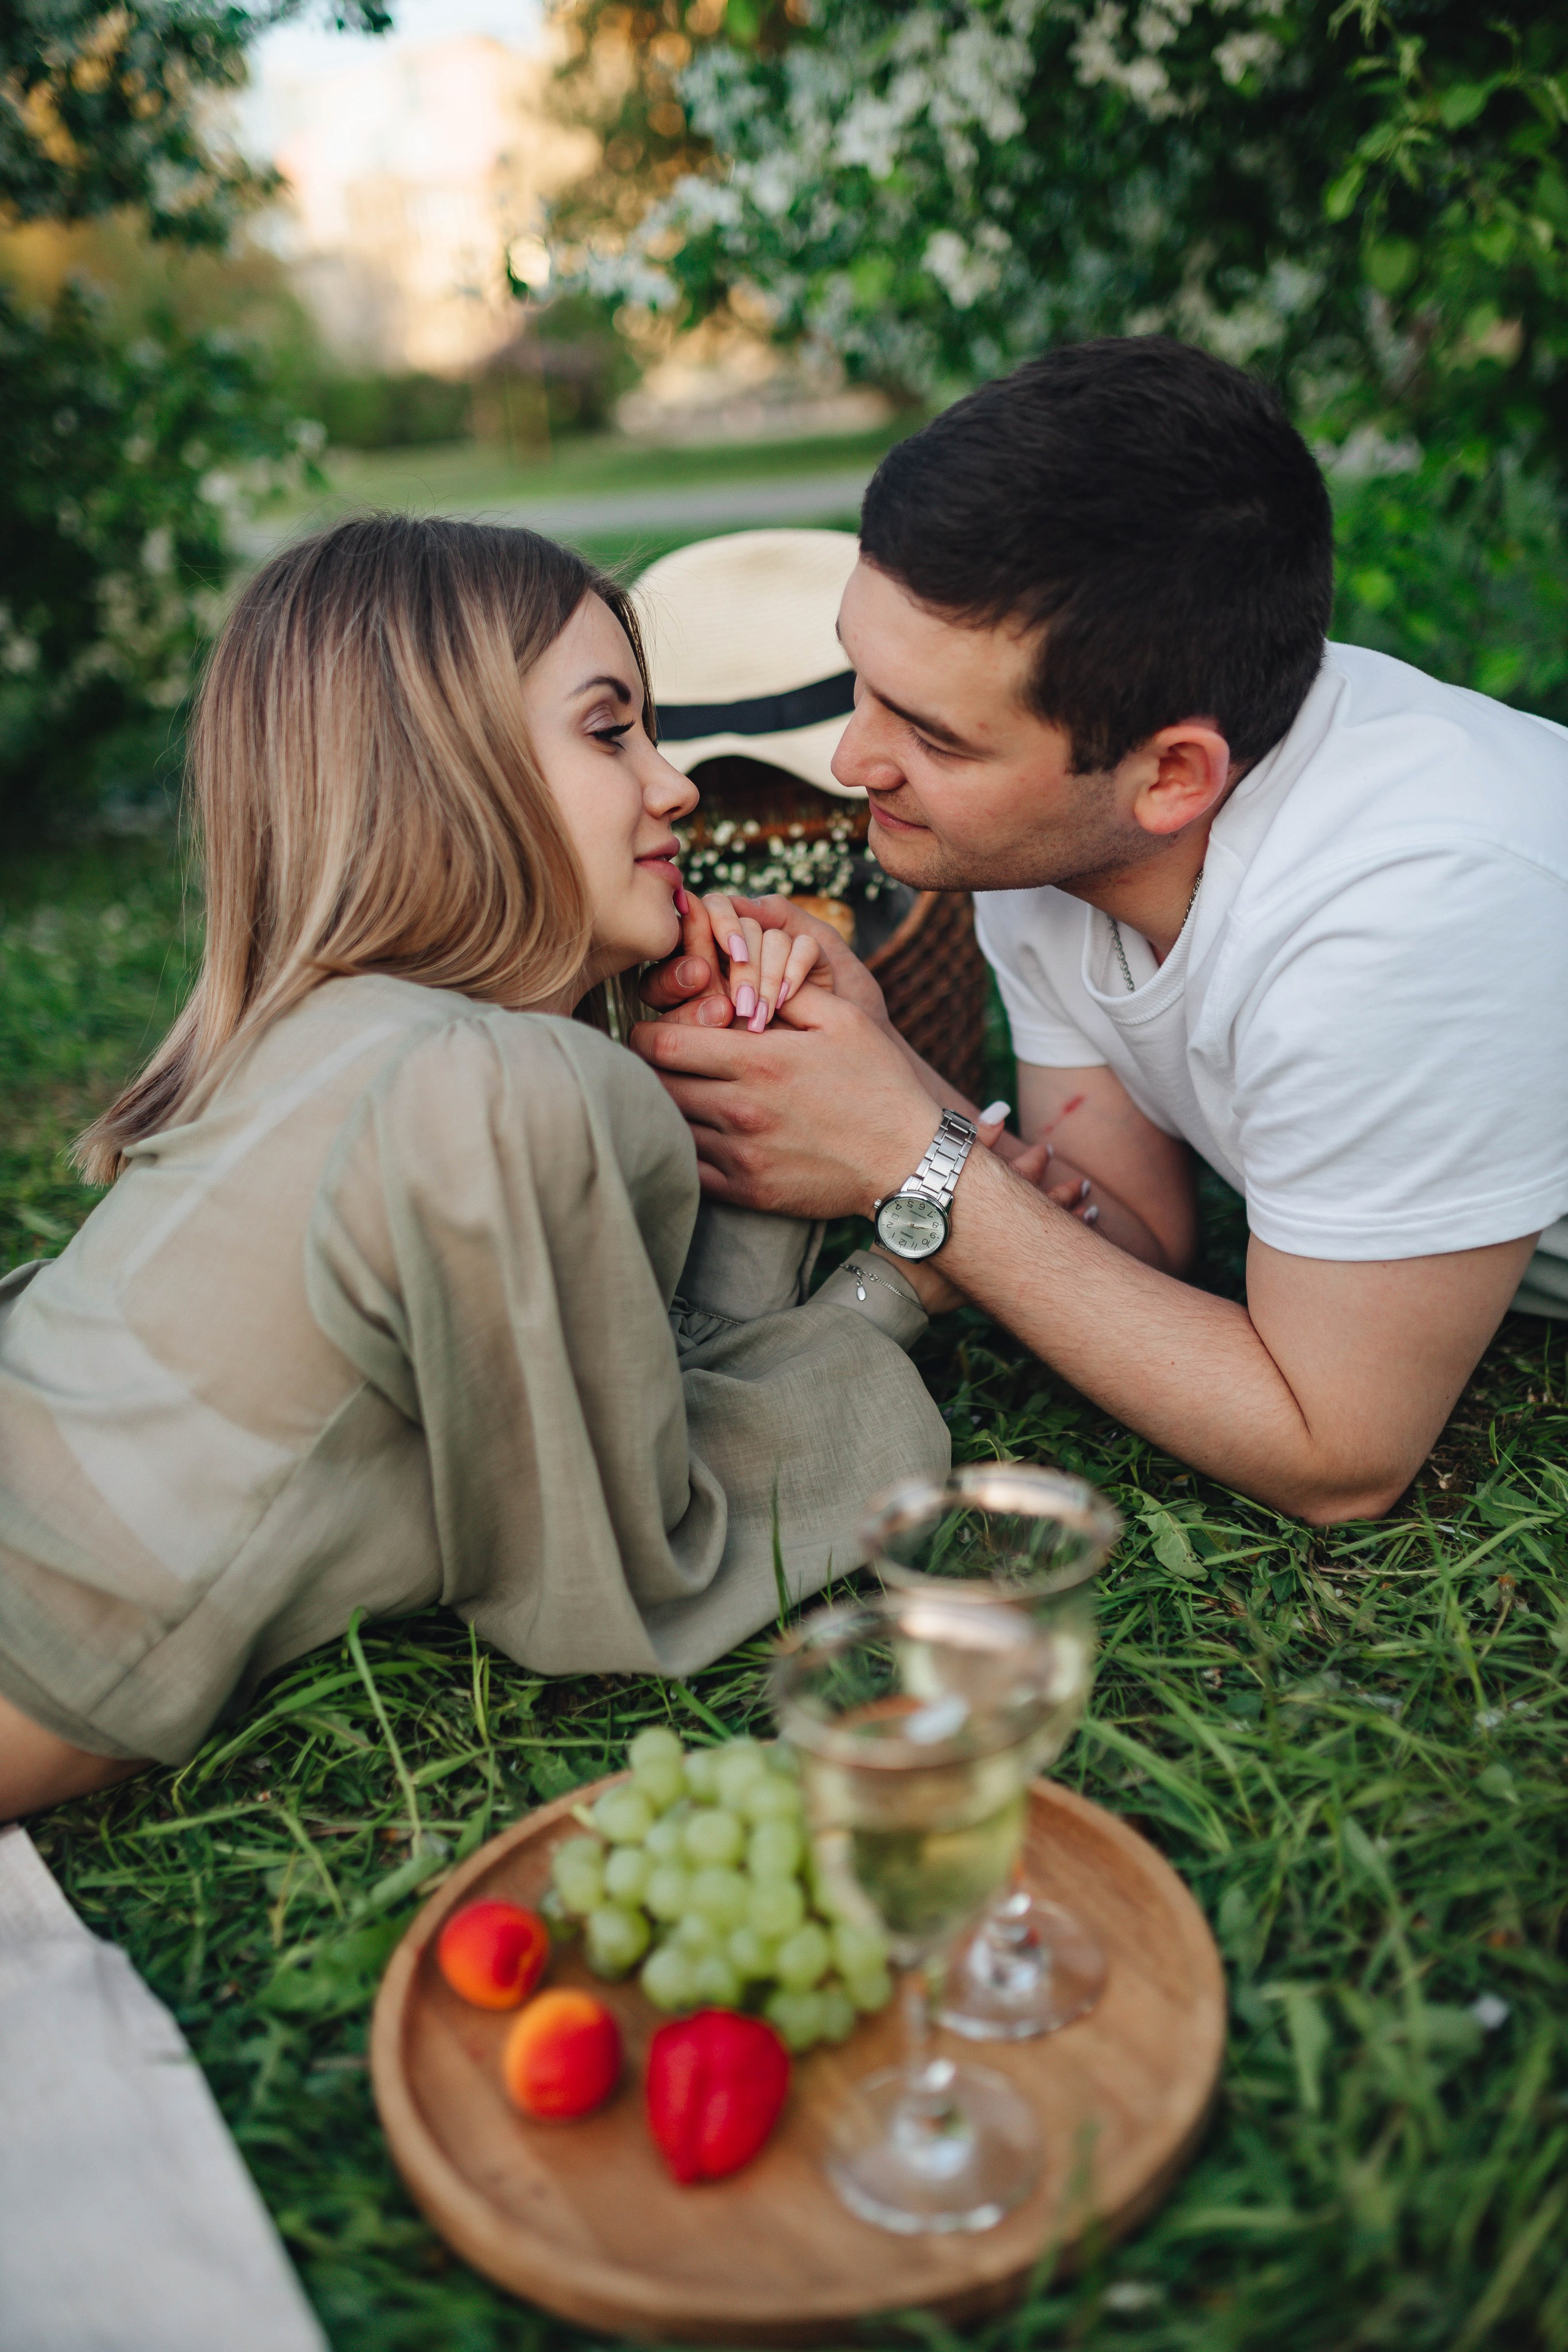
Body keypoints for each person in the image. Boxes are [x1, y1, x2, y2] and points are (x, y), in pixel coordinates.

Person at [0, 516, 949, 1819]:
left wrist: (721, 1053)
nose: (675, 787)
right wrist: (900, 1288)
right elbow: (632, 1562)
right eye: (610, 733)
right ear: (440, 778)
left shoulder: (333, 1040)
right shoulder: (493, 1089)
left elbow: (631, 1381)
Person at [634, 337, 1568, 1528]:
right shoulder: (1059, 836)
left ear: (1171, 776)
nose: (854, 761)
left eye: (934, 736)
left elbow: (1336, 1456)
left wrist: (899, 1156)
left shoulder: (1410, 910)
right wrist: (880, 1069)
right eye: (861, 681)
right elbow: (1133, 1243)